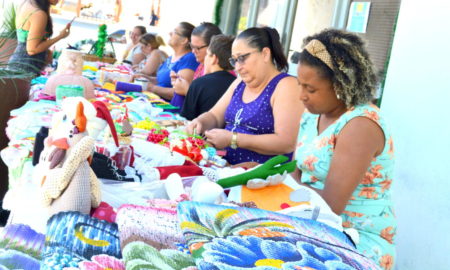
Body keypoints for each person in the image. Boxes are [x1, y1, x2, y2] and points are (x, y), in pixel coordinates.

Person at [292, 29, 396, 269]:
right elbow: (298, 174)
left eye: (311, 89)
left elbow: (331, 205)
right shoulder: (311, 116)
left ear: (340, 85)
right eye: (300, 85)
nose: (301, 96)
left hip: (356, 239)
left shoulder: (361, 124)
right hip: (314, 224)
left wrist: (286, 184)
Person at [186, 27, 303, 165]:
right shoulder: (240, 82)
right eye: (234, 61)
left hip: (260, 178)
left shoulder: (286, 85)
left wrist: (233, 139)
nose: (237, 67)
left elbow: (285, 142)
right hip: (224, 166)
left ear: (265, 54)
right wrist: (200, 122)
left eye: (242, 58)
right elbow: (215, 115)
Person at [179, 34, 235, 120]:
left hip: (198, 132)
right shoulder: (236, 84)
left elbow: (185, 120)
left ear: (214, 58)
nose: (205, 59)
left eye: (207, 55)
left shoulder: (199, 84)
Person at [8, 0, 71, 75]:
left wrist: (48, 51)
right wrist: (60, 36)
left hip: (19, 63)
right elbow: (32, 50)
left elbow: (27, 41)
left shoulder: (27, 3)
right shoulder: (39, 13)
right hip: (27, 67)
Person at [170, 22, 223, 110]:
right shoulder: (201, 65)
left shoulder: (221, 72)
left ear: (213, 48)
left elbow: (212, 108)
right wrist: (178, 83)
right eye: (191, 46)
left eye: (197, 48)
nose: (193, 51)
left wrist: (187, 90)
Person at [146, 22, 198, 107]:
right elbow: (162, 80)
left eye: (174, 32)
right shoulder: (172, 57)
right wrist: (146, 78)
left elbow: (180, 91)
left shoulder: (190, 59)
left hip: (169, 111)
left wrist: (152, 88)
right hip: (156, 104)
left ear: (184, 40)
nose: (170, 33)